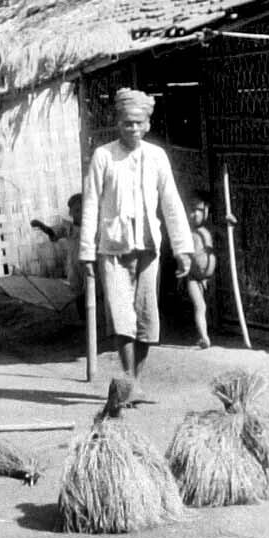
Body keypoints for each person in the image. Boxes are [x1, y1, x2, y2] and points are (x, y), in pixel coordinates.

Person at [78, 88, 193, 395]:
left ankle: (135, 383)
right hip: (113, 249)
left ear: (147, 125)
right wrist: (87, 252)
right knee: (121, 317)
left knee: (145, 317)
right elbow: (91, 203)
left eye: (138, 123)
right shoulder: (104, 156)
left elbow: (171, 202)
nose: (132, 128)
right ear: (118, 123)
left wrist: (183, 249)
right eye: (127, 122)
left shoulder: (156, 157)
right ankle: (128, 379)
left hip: (147, 249)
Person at [31, 193, 86, 319]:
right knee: (78, 291)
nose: (80, 214)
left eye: (83, 210)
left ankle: (94, 319)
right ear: (71, 213)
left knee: (91, 289)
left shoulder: (91, 226)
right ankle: (82, 318)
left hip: (90, 264)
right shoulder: (68, 227)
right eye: (77, 211)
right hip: (75, 265)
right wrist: (41, 226)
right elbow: (53, 232)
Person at [183, 192, 218, 349]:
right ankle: (204, 337)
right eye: (191, 210)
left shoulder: (210, 230)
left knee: (210, 307)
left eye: (199, 210)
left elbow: (225, 233)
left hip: (209, 277)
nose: (194, 214)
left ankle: (212, 330)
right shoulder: (187, 232)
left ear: (207, 210)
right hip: (193, 277)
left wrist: (230, 222)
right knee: (200, 306)